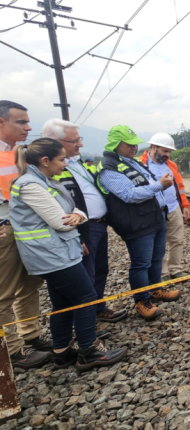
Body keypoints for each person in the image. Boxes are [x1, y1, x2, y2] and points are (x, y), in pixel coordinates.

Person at [9, 138, 126, 369]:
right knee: (85, 297)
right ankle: (88, 350)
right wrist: (78, 216)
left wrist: (78, 215)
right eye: (61, 159)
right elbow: (61, 221)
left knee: (62, 303)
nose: (65, 164)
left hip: (57, 252)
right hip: (52, 255)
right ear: (45, 161)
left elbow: (74, 210)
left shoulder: (42, 181)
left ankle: (62, 351)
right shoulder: (32, 185)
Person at [44, 119, 127, 323]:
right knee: (85, 276)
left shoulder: (77, 162)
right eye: (75, 140)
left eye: (79, 139)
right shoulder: (50, 169)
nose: (80, 144)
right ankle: (85, 324)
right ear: (55, 141)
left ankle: (98, 309)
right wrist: (77, 235)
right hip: (80, 228)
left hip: (97, 224)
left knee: (100, 270)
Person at [97, 126, 180, 321]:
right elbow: (128, 195)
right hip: (137, 223)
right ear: (116, 144)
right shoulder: (109, 167)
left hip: (153, 217)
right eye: (128, 144)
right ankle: (142, 301)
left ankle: (155, 289)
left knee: (155, 258)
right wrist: (160, 185)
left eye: (135, 143)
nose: (133, 147)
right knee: (141, 263)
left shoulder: (131, 162)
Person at [0, 101, 52, 369]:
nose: (28, 127)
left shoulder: (18, 154)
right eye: (21, 122)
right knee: (4, 294)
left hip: (26, 228)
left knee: (30, 284)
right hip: (5, 229)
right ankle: (12, 350)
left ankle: (30, 335)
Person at [139, 133, 190, 279]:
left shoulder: (171, 165)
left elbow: (179, 186)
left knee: (177, 240)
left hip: (173, 207)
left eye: (169, 152)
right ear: (154, 147)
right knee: (158, 243)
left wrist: (185, 205)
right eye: (165, 151)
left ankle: (175, 268)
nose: (168, 155)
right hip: (154, 210)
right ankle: (162, 272)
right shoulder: (141, 164)